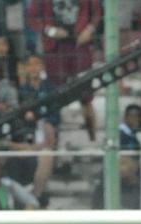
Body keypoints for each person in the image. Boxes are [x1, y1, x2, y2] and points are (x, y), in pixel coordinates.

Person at [27, 0, 101, 139]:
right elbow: (32, 17)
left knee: (86, 95)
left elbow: (96, 12)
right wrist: (50, 30)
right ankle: (53, 141)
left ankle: (93, 140)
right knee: (55, 94)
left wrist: (89, 29)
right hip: (55, 49)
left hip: (80, 46)